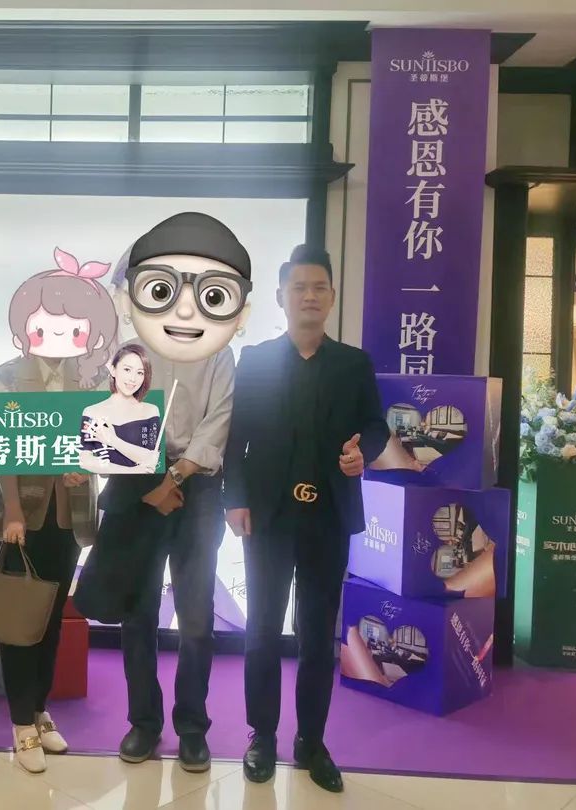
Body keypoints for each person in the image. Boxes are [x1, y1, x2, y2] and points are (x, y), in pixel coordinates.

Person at [82, 212, 252, 774]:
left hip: (196, 490)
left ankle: (192, 728)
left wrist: (175, 477)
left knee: (196, 617)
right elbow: (102, 415)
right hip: (135, 486)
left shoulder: (218, 350)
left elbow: (219, 422)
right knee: (138, 614)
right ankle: (143, 724)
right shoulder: (123, 352)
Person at [223, 245, 389, 793]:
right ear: (282, 297)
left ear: (332, 297)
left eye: (319, 288)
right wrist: (234, 498)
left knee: (318, 636)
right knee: (263, 630)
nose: (310, 296)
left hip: (328, 517)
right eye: (299, 288)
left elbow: (376, 425)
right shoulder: (256, 360)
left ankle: (311, 742)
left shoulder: (353, 364)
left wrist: (363, 451)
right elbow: (235, 436)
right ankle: (262, 736)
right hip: (268, 516)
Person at [0, 248, 116, 774]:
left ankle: (39, 709)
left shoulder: (92, 379)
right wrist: (13, 510)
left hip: (70, 515)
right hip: (23, 516)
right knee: (21, 617)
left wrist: (90, 467)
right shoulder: (7, 375)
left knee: (53, 616)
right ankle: (20, 722)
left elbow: (100, 442)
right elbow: (2, 446)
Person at [79, 343, 161, 474]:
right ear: (113, 370)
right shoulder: (92, 412)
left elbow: (152, 458)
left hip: (148, 486)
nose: (133, 379)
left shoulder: (151, 411)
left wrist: (112, 440)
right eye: (127, 370)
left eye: (140, 373)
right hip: (111, 485)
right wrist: (132, 471)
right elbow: (86, 460)